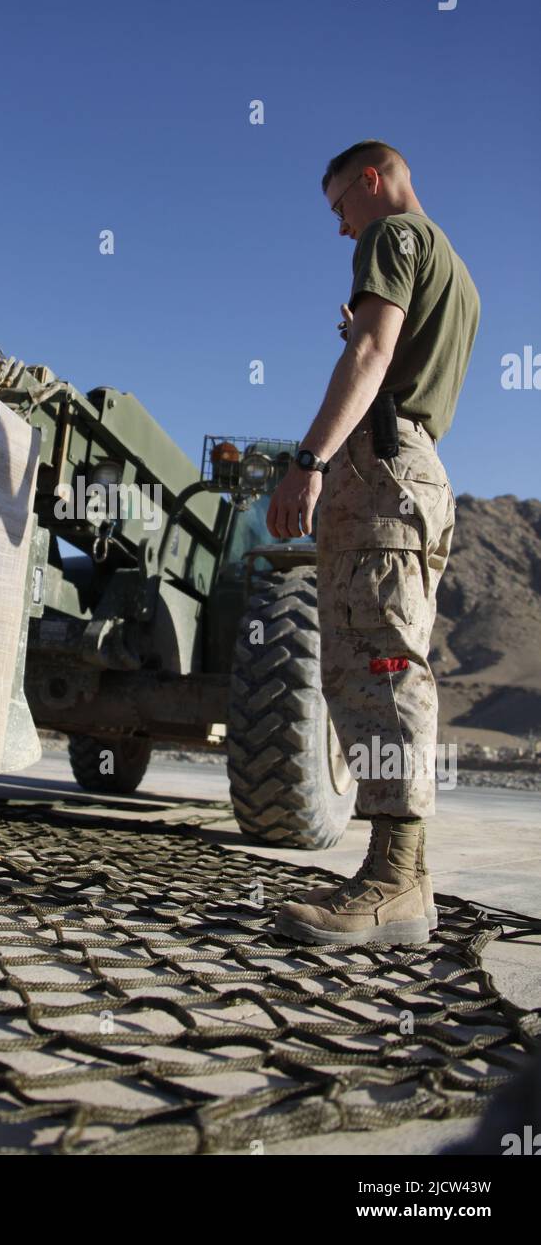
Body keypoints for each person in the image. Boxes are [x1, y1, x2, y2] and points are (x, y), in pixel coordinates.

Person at [266, 139, 480, 946]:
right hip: (416, 468)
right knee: (384, 657)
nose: (341, 229)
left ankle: (395, 881)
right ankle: (403, 880)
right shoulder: (457, 271)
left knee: (378, 662)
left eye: (339, 208)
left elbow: (372, 351)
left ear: (371, 180)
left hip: (384, 470)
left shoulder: (395, 237)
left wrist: (309, 461)